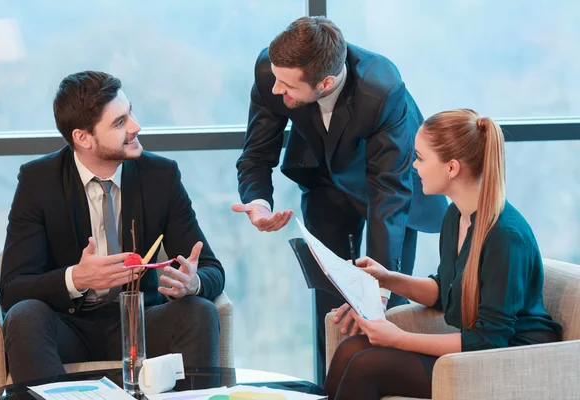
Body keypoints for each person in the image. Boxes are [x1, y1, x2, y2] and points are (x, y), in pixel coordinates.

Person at [232, 16, 447, 381]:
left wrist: (376, 288)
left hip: (389, 192)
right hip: (326, 180)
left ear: (326, 82)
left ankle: (383, 385)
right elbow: (256, 155)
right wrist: (259, 201)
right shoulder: (273, 71)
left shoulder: (382, 89)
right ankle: (333, 387)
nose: (275, 91)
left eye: (287, 87)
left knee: (383, 304)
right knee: (333, 308)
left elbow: (388, 190)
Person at [0, 71, 225, 383]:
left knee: (199, 311)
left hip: (140, 323)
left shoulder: (160, 176)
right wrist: (76, 278)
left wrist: (193, 283)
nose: (136, 126)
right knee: (24, 316)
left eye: (130, 112)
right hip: (68, 325)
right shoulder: (39, 181)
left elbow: (212, 268)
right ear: (83, 138)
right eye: (119, 122)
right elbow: (12, 288)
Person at [324, 109, 563, 399]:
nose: (414, 166)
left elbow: (490, 342)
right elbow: (444, 290)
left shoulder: (505, 237)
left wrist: (401, 339)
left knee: (367, 366)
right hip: (478, 352)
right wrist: (387, 278)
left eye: (421, 158)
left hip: (510, 360)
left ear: (451, 168)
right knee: (351, 347)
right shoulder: (455, 216)